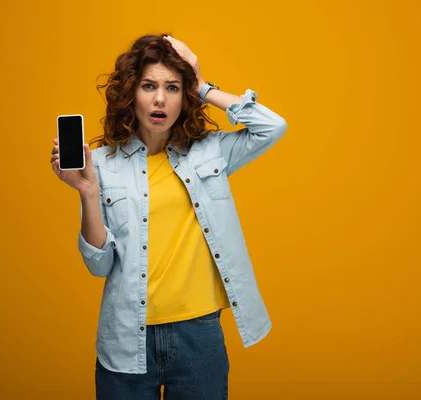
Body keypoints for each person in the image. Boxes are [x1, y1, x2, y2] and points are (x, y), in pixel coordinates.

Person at [50, 33, 287, 399]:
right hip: (127, 337)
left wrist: (203, 84)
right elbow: (99, 266)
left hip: (199, 335)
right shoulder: (101, 164)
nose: (160, 99)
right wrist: (88, 193)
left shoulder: (211, 152)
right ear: (131, 94)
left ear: (184, 96)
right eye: (148, 86)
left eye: (173, 87)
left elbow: (272, 126)